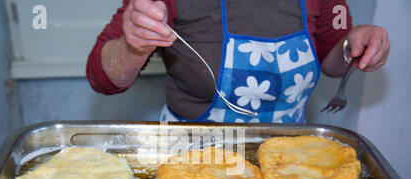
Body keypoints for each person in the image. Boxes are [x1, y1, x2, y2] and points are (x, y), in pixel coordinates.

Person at [86, 0, 390, 123]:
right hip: (192, 159)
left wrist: (352, 45)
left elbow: (330, 58)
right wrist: (133, 44)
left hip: (289, 158)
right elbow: (102, 77)